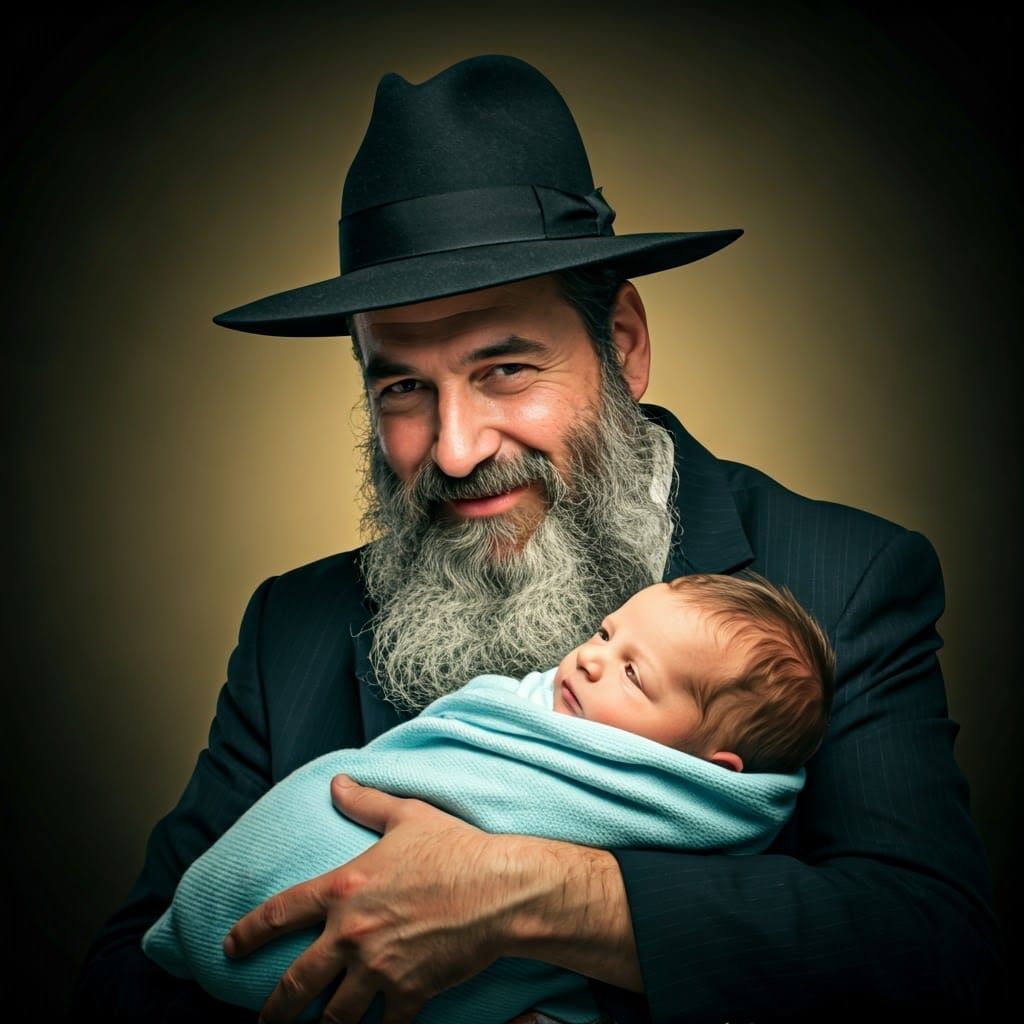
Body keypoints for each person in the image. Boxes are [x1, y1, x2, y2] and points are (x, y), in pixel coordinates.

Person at [74, 54, 1001, 1024]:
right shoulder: (291, 629)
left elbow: (935, 952)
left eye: (505, 369)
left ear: (623, 345)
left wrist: (530, 895)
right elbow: (123, 985)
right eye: (403, 387)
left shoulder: (843, 580)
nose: (457, 448)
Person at [139, 573, 837, 1021]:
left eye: (634, 674)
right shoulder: (287, 615)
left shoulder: (674, 806)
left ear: (707, 766)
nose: (591, 658)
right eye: (605, 632)